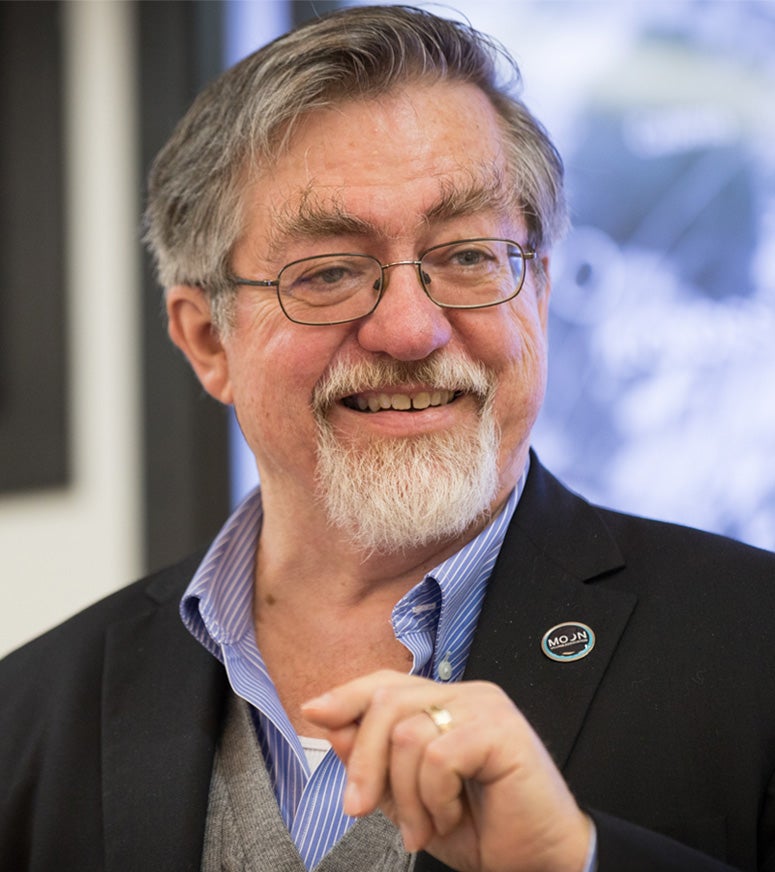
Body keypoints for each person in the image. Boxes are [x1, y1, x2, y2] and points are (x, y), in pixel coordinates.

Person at [1, 5, 774, 871]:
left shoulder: (754, 643)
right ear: (207, 340)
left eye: (468, 256)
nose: (410, 330)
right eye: (329, 272)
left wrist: (574, 861)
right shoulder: (27, 720)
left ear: (538, 292)